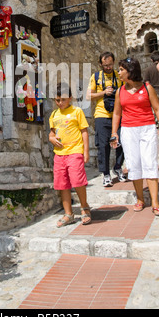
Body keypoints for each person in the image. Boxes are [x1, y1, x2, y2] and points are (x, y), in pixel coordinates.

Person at [111, 57, 159, 217]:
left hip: (147, 129)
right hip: (128, 131)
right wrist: (114, 133)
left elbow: (158, 109)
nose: (119, 72)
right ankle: (140, 199)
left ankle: (155, 202)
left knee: (149, 162)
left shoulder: (147, 87)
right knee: (133, 164)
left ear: (130, 71)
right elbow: (117, 112)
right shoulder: (120, 91)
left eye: (122, 69)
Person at [49, 82, 91, 227]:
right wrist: (51, 138)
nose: (60, 103)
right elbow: (52, 132)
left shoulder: (77, 112)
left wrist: (86, 151)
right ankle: (68, 214)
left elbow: (84, 131)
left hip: (75, 151)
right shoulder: (54, 114)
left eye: (63, 100)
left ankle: (84, 208)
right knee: (62, 184)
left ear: (71, 98)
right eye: (57, 100)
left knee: (77, 180)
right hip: (59, 155)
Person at [87, 51, 125, 187]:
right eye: (105, 65)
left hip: (119, 114)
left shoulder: (119, 76)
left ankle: (118, 167)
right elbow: (88, 96)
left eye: (110, 65)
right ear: (100, 64)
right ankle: (106, 174)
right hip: (101, 115)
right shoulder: (96, 76)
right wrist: (104, 92)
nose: (108, 68)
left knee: (122, 142)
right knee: (103, 146)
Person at [143, 51, 159, 141]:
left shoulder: (148, 70)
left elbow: (147, 83)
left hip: (154, 95)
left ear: (151, 59)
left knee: (156, 118)